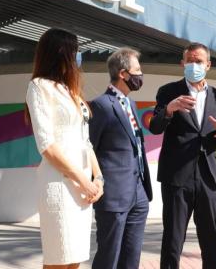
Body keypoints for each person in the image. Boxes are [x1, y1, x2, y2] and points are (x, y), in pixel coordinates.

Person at [25, 28, 104, 269]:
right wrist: (83, 180)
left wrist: (98, 178)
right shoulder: (39, 87)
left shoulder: (73, 93)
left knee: (75, 260)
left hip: (81, 189)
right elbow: (47, 145)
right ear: (62, 53)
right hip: (59, 185)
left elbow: (86, 142)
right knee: (59, 259)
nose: (78, 58)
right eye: (76, 52)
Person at [149, 42, 216, 269]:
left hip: (208, 178)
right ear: (182, 63)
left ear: (208, 65)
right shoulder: (168, 92)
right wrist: (169, 110)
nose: (194, 65)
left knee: (211, 240)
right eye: (190, 61)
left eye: (199, 61)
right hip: (177, 178)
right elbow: (155, 127)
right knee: (173, 240)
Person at [89, 48, 153, 269]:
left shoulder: (131, 103)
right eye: (137, 70)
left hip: (139, 192)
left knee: (131, 257)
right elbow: (90, 149)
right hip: (114, 196)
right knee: (109, 257)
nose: (141, 75)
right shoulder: (100, 105)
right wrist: (95, 184)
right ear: (124, 74)